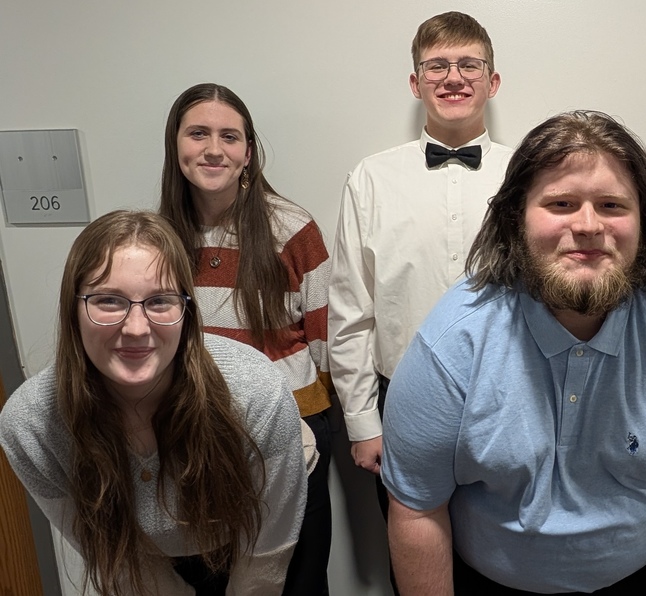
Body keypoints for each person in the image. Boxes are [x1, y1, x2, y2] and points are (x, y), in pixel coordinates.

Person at [382, 111, 646, 594]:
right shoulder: (452, 342)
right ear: (516, 219)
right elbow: (417, 508)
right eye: (561, 203)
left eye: (612, 205)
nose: (588, 225)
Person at [0, 210, 309, 595]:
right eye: (108, 300)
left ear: (186, 312)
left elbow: (267, 550)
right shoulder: (31, 425)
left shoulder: (256, 390)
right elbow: (109, 551)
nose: (136, 328)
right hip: (146, 555)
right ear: (72, 310)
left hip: (260, 525)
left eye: (160, 300)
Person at [328, 12, 512, 498]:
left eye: (469, 65)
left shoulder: (528, 174)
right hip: (402, 400)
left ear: (492, 82)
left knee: (506, 541)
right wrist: (362, 421)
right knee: (410, 541)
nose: (453, 77)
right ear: (416, 83)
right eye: (437, 66)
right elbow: (351, 310)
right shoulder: (370, 179)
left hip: (510, 400)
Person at [159, 83, 332, 595]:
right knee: (212, 578)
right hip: (194, 432)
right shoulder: (158, 238)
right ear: (175, 145)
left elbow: (325, 336)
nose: (214, 149)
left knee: (298, 581)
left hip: (291, 430)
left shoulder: (291, 228)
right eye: (198, 134)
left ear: (248, 153)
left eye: (229, 137)